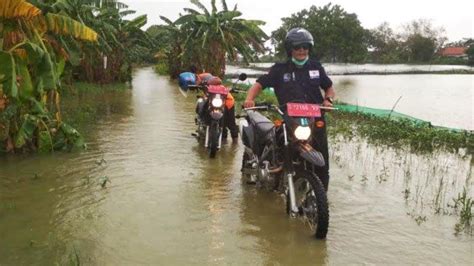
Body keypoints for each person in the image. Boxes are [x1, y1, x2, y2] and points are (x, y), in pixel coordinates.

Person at [243, 27, 336, 191]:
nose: (302, 50)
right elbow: (259, 84)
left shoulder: (316, 67)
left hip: (316, 120)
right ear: (290, 49)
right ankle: (277, 171)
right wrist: (250, 99)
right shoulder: (279, 69)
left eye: (305, 47)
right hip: (290, 119)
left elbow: (329, 87)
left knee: (323, 164)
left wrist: (327, 100)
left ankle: (321, 200)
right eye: (297, 47)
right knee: (281, 149)